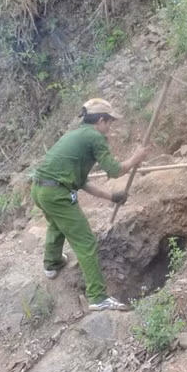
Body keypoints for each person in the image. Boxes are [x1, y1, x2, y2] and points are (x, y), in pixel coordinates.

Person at [31, 98, 147, 312]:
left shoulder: (75, 136)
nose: (110, 127)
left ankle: (52, 264)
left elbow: (82, 182)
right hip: (57, 194)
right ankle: (98, 297)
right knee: (86, 243)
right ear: (101, 121)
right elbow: (114, 170)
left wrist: (111, 196)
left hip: (40, 190)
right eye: (109, 122)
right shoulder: (95, 137)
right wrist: (135, 158)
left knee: (57, 224)